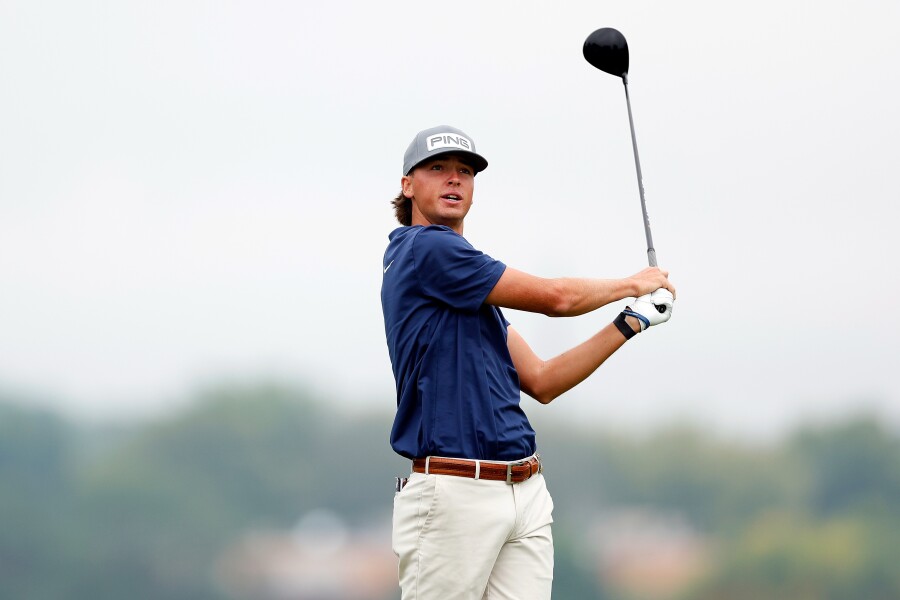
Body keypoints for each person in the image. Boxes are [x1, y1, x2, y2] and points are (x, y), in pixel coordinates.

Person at [381, 125, 675, 600]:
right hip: (455, 494)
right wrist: (632, 284)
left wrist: (629, 322)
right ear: (407, 185)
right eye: (437, 169)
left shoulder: (466, 284)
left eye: (465, 172)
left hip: (524, 490)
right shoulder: (425, 250)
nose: (454, 180)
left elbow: (542, 380)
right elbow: (556, 298)